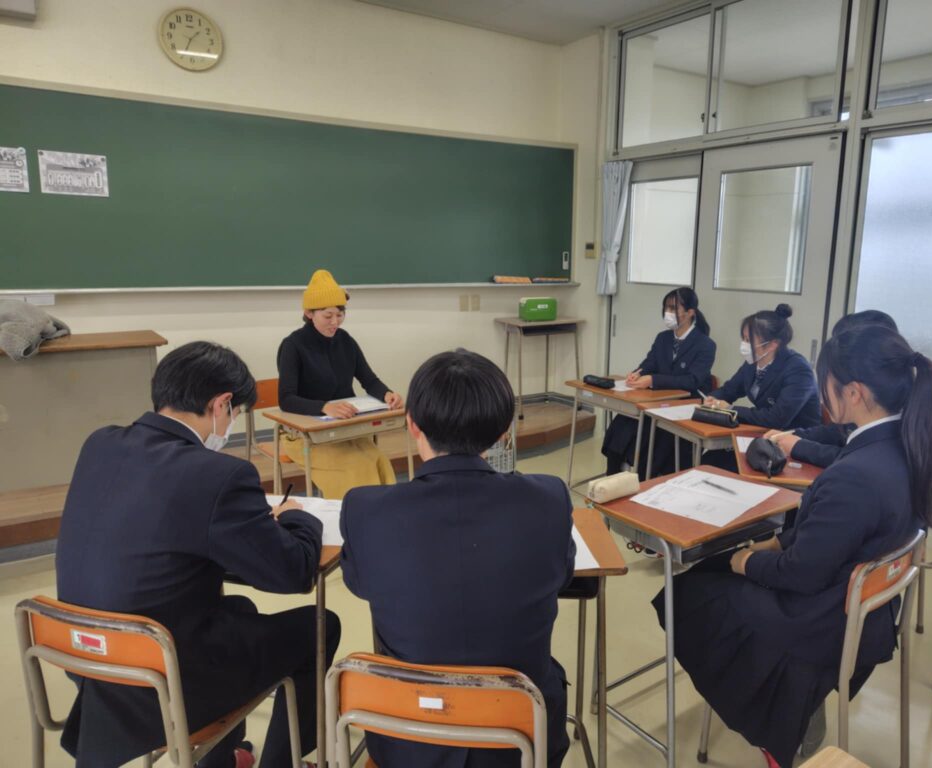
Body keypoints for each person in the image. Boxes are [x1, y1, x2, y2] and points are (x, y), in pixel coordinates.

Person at [652, 324, 932, 768]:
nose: (823, 391)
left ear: (854, 393)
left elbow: (800, 574)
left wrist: (743, 560)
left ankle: (779, 718)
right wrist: (773, 543)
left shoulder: (856, 474)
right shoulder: (907, 447)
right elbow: (835, 538)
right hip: (867, 613)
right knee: (716, 569)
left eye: (827, 382)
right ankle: (781, 707)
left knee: (688, 591)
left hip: (821, 620)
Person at [56, 341, 340, 768]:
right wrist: (298, 517)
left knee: (238, 609)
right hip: (160, 677)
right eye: (235, 412)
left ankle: (221, 758)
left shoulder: (100, 443)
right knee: (320, 626)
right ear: (221, 404)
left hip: (85, 659)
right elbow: (292, 573)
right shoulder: (219, 474)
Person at [340, 349, 574, 768]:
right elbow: (564, 574)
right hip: (519, 737)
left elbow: (359, 584)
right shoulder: (549, 498)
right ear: (503, 431)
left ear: (412, 423)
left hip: (407, 739)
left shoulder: (365, 509)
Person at [277, 269, 403, 498]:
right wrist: (325, 407)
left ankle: (382, 515)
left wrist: (387, 394)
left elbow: (369, 380)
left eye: (340, 314)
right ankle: (351, 516)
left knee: (380, 461)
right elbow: (286, 399)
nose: (335, 322)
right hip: (306, 435)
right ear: (309, 313)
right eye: (328, 316)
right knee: (356, 467)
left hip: (345, 428)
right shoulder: (293, 346)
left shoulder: (345, 341)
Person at [602, 287, 716, 478]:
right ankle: (613, 476)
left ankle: (643, 480)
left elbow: (692, 380)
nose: (668, 313)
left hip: (684, 405)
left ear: (690, 313)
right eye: (666, 308)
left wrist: (653, 380)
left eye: (673, 308)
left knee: (656, 436)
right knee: (623, 422)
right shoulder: (663, 338)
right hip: (658, 401)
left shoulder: (705, 344)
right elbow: (650, 363)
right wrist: (637, 374)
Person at [766, 310, 898, 468]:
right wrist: (791, 435)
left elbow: (859, 460)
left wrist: (800, 447)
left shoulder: (892, 420)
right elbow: (837, 432)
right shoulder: (866, 406)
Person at [703, 303, 820, 430]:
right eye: (743, 338)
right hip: (764, 431)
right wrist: (712, 399)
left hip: (795, 436)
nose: (744, 345)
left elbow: (776, 419)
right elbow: (729, 390)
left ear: (773, 344)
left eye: (749, 340)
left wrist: (730, 409)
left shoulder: (799, 370)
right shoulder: (753, 362)